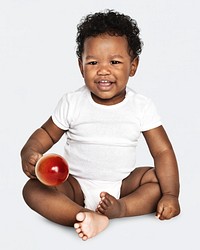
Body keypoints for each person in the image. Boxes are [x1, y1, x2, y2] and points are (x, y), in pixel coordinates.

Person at [21, 9, 180, 241]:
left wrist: (171, 194)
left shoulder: (141, 106)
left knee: (155, 180)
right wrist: (30, 152)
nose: (103, 70)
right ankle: (84, 215)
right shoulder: (72, 102)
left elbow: (162, 150)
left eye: (115, 62)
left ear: (133, 66)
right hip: (74, 186)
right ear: (81, 66)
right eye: (93, 62)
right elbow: (45, 133)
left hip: (123, 186)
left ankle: (120, 209)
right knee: (32, 189)